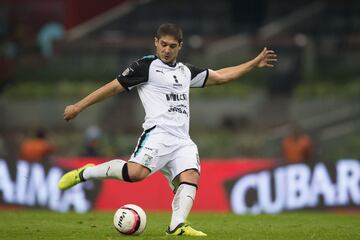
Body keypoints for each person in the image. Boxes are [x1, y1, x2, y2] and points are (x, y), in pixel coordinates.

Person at [58, 23, 277, 236]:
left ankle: (177, 226)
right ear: (155, 43)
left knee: (190, 175)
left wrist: (252, 64)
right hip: (158, 134)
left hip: (182, 139)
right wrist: (79, 106)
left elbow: (220, 76)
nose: (167, 50)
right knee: (135, 174)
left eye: (172, 46)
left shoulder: (185, 71)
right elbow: (114, 86)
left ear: (180, 46)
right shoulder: (146, 66)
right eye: (163, 44)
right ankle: (85, 172)